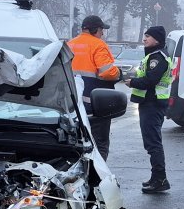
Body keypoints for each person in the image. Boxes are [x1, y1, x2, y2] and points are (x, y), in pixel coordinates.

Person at [124, 26, 172, 193]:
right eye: (144, 35)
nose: (144, 39)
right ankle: (156, 177)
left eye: (148, 36)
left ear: (157, 40)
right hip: (150, 103)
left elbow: (150, 80)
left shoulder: (158, 58)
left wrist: (132, 83)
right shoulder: (153, 56)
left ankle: (160, 180)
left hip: (153, 104)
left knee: (153, 144)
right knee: (151, 143)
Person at [67, 15, 121, 161]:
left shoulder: (69, 45)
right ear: (95, 29)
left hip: (73, 105)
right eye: (101, 29)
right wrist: (119, 73)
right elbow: (108, 72)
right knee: (99, 143)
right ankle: (98, 177)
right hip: (96, 105)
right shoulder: (98, 44)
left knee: (76, 143)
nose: (102, 33)